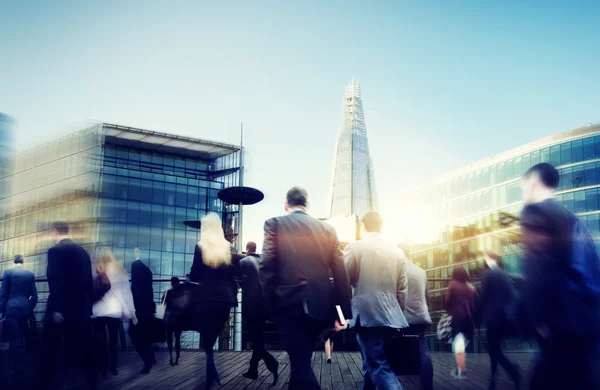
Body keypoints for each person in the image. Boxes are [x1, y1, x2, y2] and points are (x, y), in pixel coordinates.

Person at [259, 186, 352, 390]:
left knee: (300, 363)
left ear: (286, 206)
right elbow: (340, 271)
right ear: (307, 206)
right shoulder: (328, 229)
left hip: (287, 305)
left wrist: (268, 305)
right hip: (320, 306)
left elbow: (266, 266)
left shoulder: (274, 224)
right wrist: (343, 311)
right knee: (301, 360)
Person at [520, 163, 600, 389]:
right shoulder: (573, 220)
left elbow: (536, 268)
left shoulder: (535, 213)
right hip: (587, 325)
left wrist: (536, 320)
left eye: (525, 187)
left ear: (534, 182)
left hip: (560, 327)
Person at [344, 211, 407, 390]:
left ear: (363, 227)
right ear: (382, 226)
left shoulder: (355, 247)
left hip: (366, 315)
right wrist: (397, 315)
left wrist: (342, 312)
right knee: (370, 363)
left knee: (378, 364)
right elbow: (402, 289)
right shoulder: (398, 252)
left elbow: (344, 282)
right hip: (392, 316)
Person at [38, 221, 97, 389]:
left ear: (55, 231)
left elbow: (55, 281)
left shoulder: (55, 251)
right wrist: (88, 307)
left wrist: (56, 309)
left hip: (62, 308)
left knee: (48, 348)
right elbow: (89, 283)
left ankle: (44, 383)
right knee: (84, 348)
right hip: (81, 309)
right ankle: (92, 381)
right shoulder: (83, 252)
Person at [189, 213, 241, 390]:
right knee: (212, 339)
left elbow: (195, 273)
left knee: (208, 343)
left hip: (205, 299)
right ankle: (212, 375)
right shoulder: (228, 247)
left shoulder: (200, 246)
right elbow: (234, 272)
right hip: (224, 300)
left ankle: (212, 374)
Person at [477, 251, 521, 389]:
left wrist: (476, 317)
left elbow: (483, 299)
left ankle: (514, 371)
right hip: (506, 318)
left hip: (494, 320)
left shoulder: (488, 275)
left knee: (494, 351)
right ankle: (493, 379)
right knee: (494, 349)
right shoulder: (504, 274)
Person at [91, 248, 137, 377]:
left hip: (97, 311)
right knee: (113, 340)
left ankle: (103, 367)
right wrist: (132, 314)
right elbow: (127, 294)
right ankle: (113, 367)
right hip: (114, 311)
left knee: (100, 340)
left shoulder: (95, 271)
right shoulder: (120, 272)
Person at [239, 241, 279, 383]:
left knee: (255, 339)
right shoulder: (263, 261)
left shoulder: (243, 262)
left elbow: (240, 282)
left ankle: (272, 363)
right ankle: (252, 370)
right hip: (265, 306)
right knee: (258, 337)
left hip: (251, 306)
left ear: (247, 249)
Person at [400, 246, 433, 390]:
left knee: (394, 349)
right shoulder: (421, 271)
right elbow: (427, 295)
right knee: (422, 349)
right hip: (421, 315)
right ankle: (427, 386)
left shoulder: (397, 271)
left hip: (403, 317)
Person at [0, 255, 38, 376]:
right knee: (24, 334)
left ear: (14, 261)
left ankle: (17, 367)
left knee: (14, 338)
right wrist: (29, 307)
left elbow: (3, 293)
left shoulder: (8, 273)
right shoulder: (30, 274)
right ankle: (30, 363)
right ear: (22, 262)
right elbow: (35, 296)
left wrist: (2, 310)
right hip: (25, 308)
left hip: (12, 308)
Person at [445, 266, 477, 380]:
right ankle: (460, 367)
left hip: (456, 319)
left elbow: (447, 302)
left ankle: (462, 370)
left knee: (458, 344)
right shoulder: (471, 287)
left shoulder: (452, 285)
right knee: (462, 343)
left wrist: (449, 311)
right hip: (468, 319)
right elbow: (475, 304)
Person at [130, 247, 156, 374]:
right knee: (144, 334)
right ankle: (150, 357)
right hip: (147, 306)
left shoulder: (136, 266)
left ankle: (148, 361)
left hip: (138, 307)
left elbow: (134, 287)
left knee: (135, 334)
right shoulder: (148, 271)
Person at [163, 276, 183, 366]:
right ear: (178, 283)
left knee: (169, 339)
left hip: (169, 319)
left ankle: (171, 356)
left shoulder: (167, 293)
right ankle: (177, 359)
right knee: (177, 340)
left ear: (171, 283)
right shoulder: (181, 293)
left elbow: (163, 305)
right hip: (178, 319)